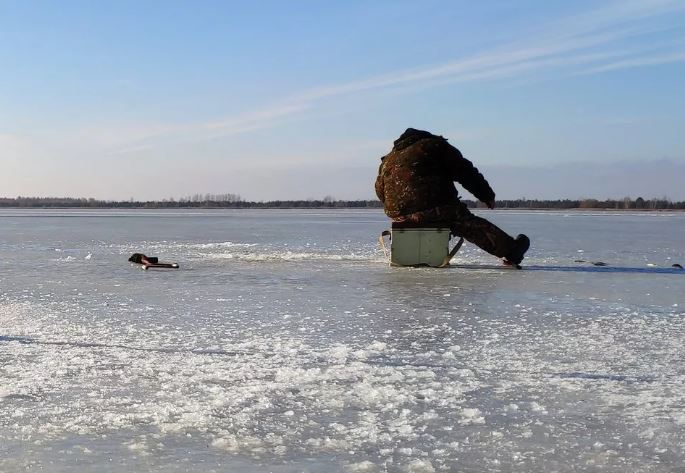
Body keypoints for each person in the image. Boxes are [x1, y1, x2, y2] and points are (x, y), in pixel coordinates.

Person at [375, 128, 529, 266]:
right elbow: (464, 171)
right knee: (464, 221)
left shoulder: (389, 158)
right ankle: (511, 250)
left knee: (443, 215)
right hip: (434, 208)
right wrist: (486, 195)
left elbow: (379, 189)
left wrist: (400, 208)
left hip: (398, 215)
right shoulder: (433, 145)